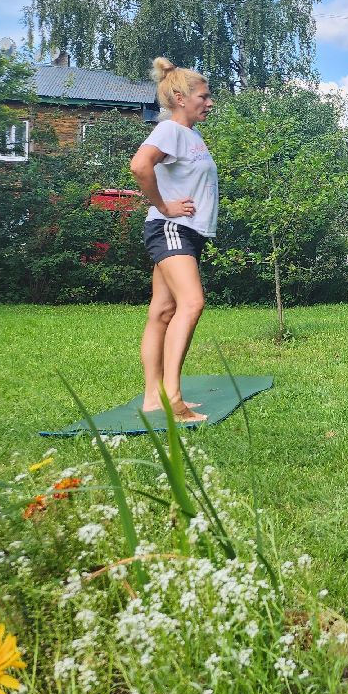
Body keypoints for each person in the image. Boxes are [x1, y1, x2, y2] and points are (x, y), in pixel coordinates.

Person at [129, 57, 218, 423]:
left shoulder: (190, 136)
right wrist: (163, 206)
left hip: (185, 232)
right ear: (180, 97)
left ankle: (154, 398)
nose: (210, 102)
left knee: (163, 311)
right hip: (171, 229)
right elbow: (139, 165)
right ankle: (172, 397)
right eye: (204, 96)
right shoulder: (169, 130)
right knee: (192, 303)